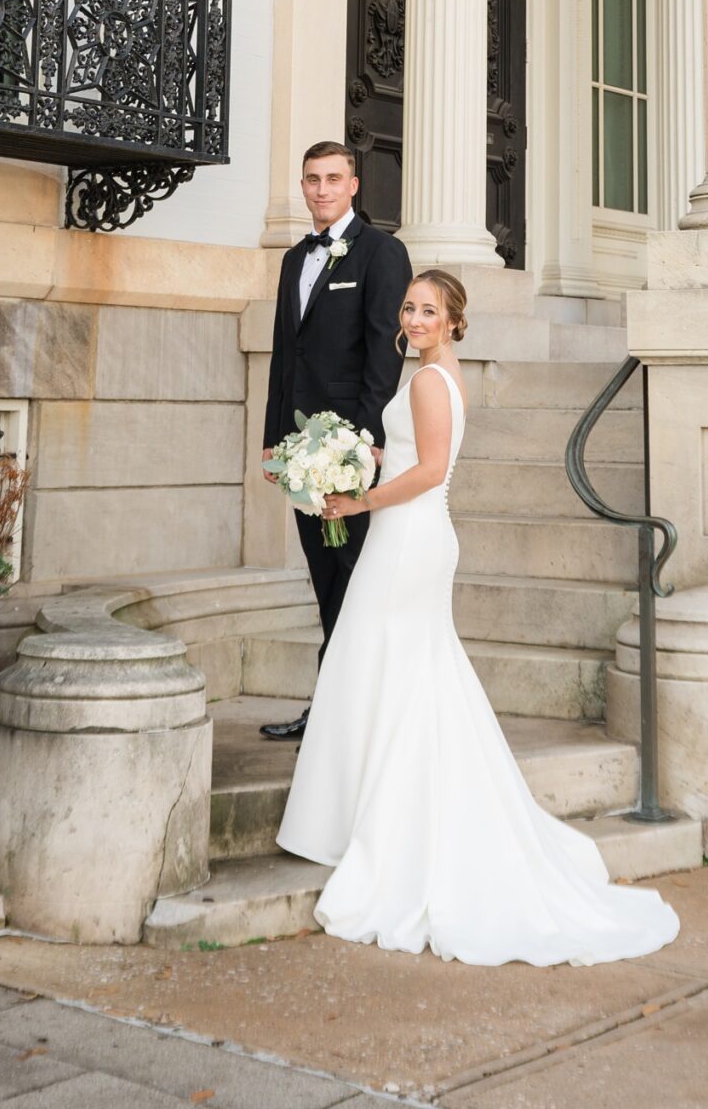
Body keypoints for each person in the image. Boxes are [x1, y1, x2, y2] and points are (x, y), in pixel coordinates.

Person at [277, 268, 682, 965]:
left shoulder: (433, 381)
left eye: (428, 310)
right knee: (395, 665)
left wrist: (357, 502)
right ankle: (365, 816)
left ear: (455, 322)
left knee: (391, 664)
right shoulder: (434, 375)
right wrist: (349, 462)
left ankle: (389, 829)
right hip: (408, 534)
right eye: (408, 307)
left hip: (409, 536)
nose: (414, 319)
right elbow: (407, 456)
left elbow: (431, 470)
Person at [258, 139, 412, 742]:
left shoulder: (382, 253)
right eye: (311, 179)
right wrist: (274, 439)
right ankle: (334, 707)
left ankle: (353, 714)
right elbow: (282, 353)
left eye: (332, 178)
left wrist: (367, 439)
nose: (320, 189)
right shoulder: (295, 258)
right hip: (301, 447)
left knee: (353, 573)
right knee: (324, 575)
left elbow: (385, 350)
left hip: (349, 448)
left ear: (354, 185)